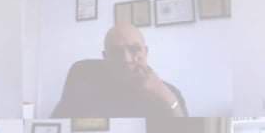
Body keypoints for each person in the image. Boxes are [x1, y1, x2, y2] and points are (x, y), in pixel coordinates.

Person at [51, 22, 187, 118]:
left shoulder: (169, 92)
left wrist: (167, 97)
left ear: (145, 52)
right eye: (116, 52)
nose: (126, 59)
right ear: (105, 57)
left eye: (134, 49)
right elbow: (57, 127)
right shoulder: (83, 83)